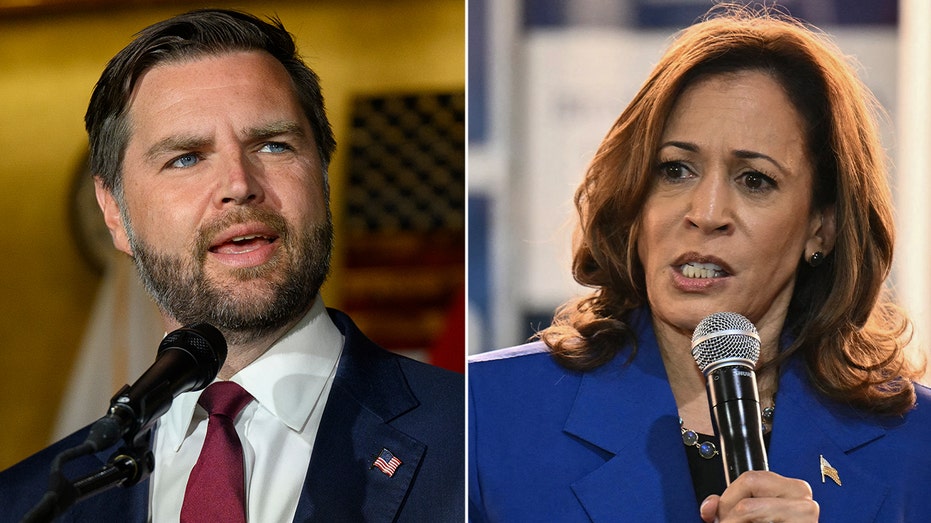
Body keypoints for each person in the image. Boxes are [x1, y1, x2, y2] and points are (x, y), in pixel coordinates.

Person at [469, 6, 931, 522]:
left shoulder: (917, 447)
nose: (706, 214)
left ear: (820, 227)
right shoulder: (481, 415)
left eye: (755, 179)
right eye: (676, 169)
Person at [0, 9, 463, 522]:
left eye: (273, 144)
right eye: (186, 158)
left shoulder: (480, 441)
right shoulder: (27, 505)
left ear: (323, 176)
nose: (239, 184)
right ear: (113, 211)